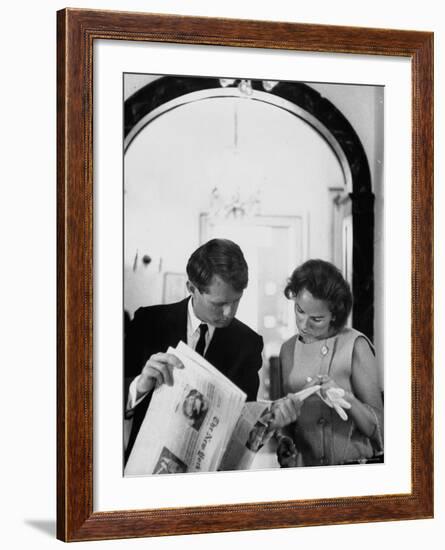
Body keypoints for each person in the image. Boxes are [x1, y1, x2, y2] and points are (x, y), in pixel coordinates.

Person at [124, 238, 263, 460]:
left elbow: (243, 423)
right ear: (191, 288)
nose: (228, 313)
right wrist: (138, 388)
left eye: (236, 301)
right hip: (143, 468)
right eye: (218, 304)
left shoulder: (248, 343)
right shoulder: (147, 322)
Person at [269, 259, 383, 467]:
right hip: (307, 474)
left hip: (354, 470)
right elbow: (287, 422)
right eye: (300, 311)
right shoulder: (287, 350)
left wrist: (346, 398)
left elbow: (378, 429)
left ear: (334, 314)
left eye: (317, 319)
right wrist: (284, 440)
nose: (303, 324)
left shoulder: (355, 345)